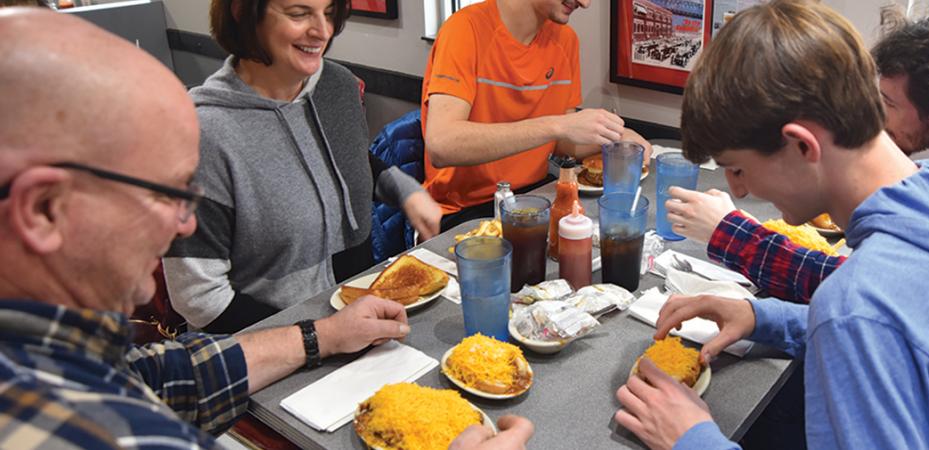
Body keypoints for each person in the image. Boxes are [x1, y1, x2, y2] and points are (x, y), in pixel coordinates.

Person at [0, 8, 531, 450]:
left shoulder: (77, 352)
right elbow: (200, 304)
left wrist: (324, 333)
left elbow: (166, 375)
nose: (184, 222)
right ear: (42, 210)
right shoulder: (72, 426)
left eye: (327, 11)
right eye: (162, 194)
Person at [617, 1, 929, 449]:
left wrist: (692, 440)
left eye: (737, 168)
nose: (737, 191)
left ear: (800, 146)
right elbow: (921, 339)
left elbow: (876, 321)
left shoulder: (861, 310)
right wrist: (763, 316)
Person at [162, 0, 443, 333]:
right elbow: (200, 299)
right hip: (270, 348)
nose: (322, 31)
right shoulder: (202, 133)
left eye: (328, 13)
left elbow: (344, 161)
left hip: (362, 323)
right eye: (299, 13)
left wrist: (405, 191)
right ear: (243, 12)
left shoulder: (337, 86)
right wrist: (322, 337)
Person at [421, 0, 652, 230]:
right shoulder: (465, 29)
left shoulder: (565, 39)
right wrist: (556, 125)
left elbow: (562, 143)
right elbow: (442, 145)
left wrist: (616, 138)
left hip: (537, 197)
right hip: (466, 212)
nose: (585, 3)